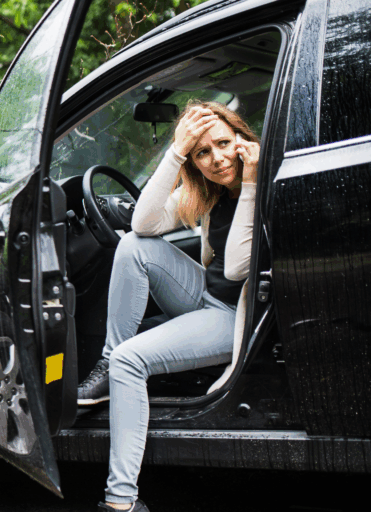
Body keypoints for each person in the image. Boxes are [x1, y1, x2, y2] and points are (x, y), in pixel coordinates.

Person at [76, 101, 260, 512]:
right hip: (204, 296)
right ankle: (107, 365)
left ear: (242, 138)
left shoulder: (266, 182)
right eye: (202, 153)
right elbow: (142, 224)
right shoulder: (207, 191)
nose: (217, 159)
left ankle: (119, 502)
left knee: (131, 360)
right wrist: (174, 151)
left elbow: (236, 269)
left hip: (237, 317)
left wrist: (249, 183)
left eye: (224, 144)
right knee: (133, 245)